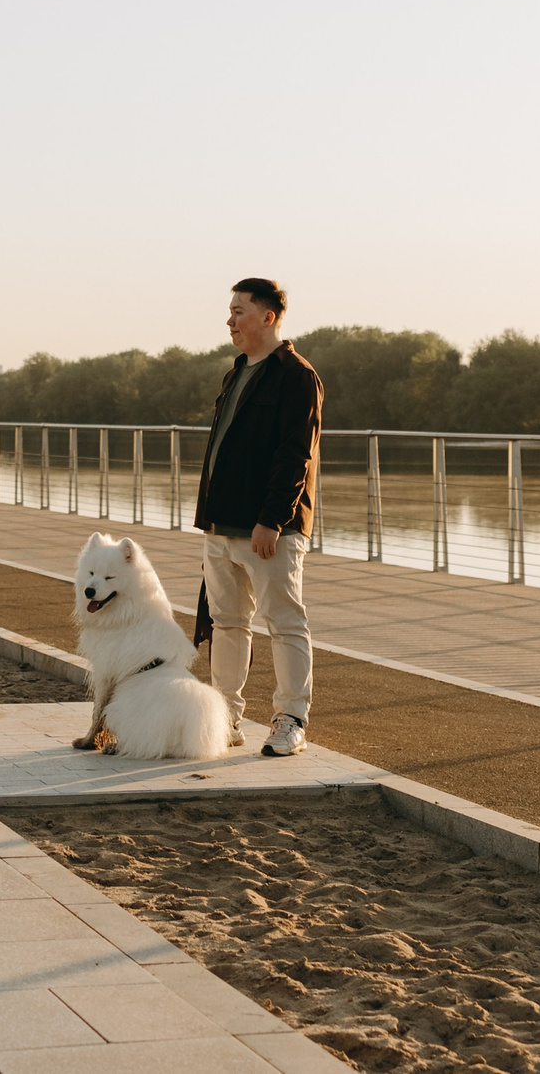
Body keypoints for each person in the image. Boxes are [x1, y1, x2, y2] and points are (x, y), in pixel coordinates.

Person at [193, 276, 321, 757]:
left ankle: (291, 720)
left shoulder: (296, 375)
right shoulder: (236, 373)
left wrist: (272, 519)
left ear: (267, 317)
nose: (229, 320)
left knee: (284, 622)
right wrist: (208, 522)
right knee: (227, 623)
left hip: (268, 529)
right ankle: (225, 716)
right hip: (220, 526)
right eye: (230, 311)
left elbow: (295, 454)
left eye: (238, 311)